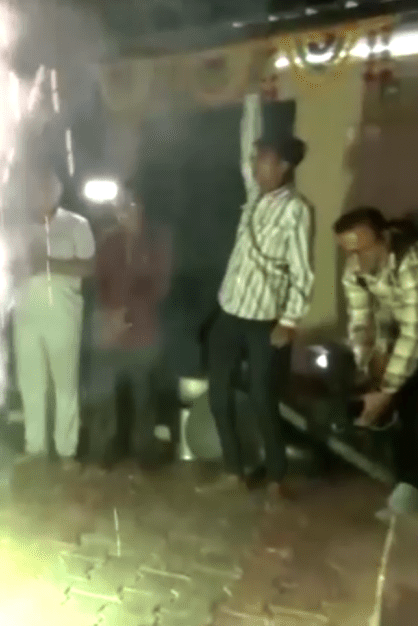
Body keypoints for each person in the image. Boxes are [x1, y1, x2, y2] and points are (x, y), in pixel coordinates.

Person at [203, 93, 313, 500]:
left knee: (264, 400)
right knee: (218, 395)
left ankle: (277, 480)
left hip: (265, 320)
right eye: (256, 160)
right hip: (229, 312)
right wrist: (250, 97)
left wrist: (290, 321)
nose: (255, 166)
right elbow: (243, 149)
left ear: (283, 167)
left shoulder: (297, 210)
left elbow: (303, 270)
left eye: (263, 160)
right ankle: (233, 471)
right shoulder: (254, 197)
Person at [333, 207, 418, 518]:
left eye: (361, 250)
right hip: (402, 334)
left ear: (384, 239)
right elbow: (360, 323)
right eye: (348, 252)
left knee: (412, 401)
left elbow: (414, 331)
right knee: (395, 401)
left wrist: (388, 390)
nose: (355, 261)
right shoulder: (354, 270)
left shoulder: (411, 262)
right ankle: (407, 488)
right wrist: (369, 367)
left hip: (414, 330)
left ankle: (409, 490)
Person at [10, 166, 95, 468]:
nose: (42, 195)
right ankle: (35, 447)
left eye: (48, 189)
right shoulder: (20, 228)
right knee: (31, 384)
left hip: (63, 315)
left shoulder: (76, 225)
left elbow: (88, 267)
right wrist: (18, 268)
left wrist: (47, 263)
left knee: (65, 385)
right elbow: (8, 268)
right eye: (37, 189)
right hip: (26, 316)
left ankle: (66, 450)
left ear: (58, 192)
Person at [84, 184, 171, 471]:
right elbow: (99, 283)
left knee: (143, 399)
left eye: (131, 207)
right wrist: (108, 318)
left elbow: (159, 287)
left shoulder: (158, 241)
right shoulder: (109, 242)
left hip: (143, 335)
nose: (126, 213)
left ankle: (144, 456)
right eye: (121, 208)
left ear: (141, 209)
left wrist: (127, 316)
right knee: (103, 398)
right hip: (110, 334)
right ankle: (99, 455)